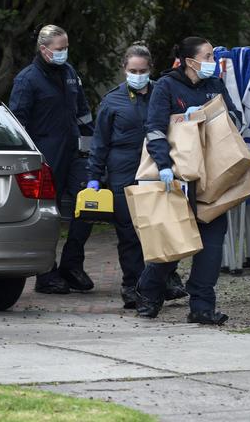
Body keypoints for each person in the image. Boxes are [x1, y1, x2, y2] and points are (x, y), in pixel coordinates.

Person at [135, 36, 243, 325]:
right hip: (178, 177)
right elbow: (155, 130)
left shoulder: (215, 86)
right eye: (208, 56)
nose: (213, 61)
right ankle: (149, 293)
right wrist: (164, 165)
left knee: (211, 246)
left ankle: (202, 307)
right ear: (190, 61)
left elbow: (236, 119)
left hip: (213, 178)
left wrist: (212, 118)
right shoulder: (167, 87)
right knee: (174, 242)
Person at [86, 43, 187, 308]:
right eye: (133, 70)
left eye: (142, 70)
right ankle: (132, 286)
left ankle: (164, 279)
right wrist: (94, 176)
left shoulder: (163, 94)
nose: (138, 74)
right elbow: (100, 142)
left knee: (162, 229)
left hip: (157, 170)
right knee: (129, 235)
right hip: (123, 173)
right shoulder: (112, 101)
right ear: (124, 70)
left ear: (150, 69)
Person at [9, 24, 95, 294]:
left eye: (66, 47)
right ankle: (46, 273)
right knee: (49, 213)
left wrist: (90, 145)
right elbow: (17, 124)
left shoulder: (69, 73)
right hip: (45, 155)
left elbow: (83, 112)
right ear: (44, 49)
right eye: (60, 49)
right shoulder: (27, 79)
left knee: (88, 204)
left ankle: (72, 264)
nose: (64, 53)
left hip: (74, 151)